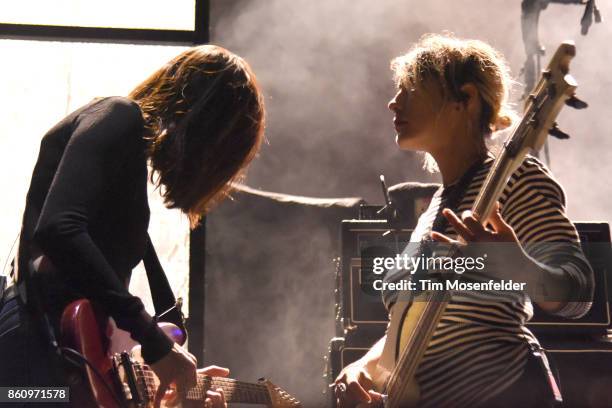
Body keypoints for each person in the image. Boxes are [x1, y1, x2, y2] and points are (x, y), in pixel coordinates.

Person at [335, 34, 594, 407]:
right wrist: (362, 365)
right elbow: (411, 329)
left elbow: (579, 292)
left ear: (466, 99)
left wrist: (515, 263)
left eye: (411, 89)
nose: (394, 102)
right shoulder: (434, 209)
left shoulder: (516, 180)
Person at [0, 44, 265, 408]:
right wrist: (155, 343)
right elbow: (59, 228)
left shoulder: (126, 162)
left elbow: (94, 305)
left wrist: (148, 369)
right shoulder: (118, 115)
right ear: (208, 126)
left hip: (58, 362)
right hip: (34, 361)